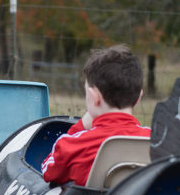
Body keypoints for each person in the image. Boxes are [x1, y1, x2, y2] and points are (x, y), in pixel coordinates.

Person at [41, 44, 151, 186]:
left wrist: (80, 128)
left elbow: (48, 172)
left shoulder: (73, 145)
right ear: (138, 98)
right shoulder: (154, 141)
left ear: (94, 97)